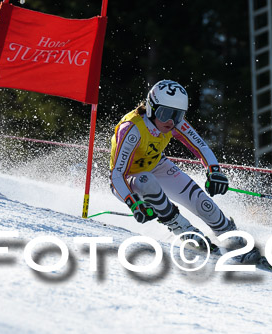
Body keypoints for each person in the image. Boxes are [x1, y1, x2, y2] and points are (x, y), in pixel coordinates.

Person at [109, 79, 260, 263]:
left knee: (204, 202)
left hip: (157, 165)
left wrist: (214, 171)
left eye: (178, 115)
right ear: (151, 108)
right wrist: (133, 203)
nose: (171, 122)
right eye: (165, 114)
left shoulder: (173, 123)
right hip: (128, 180)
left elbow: (200, 146)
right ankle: (184, 231)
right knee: (147, 181)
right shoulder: (132, 129)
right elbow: (117, 175)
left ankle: (233, 240)